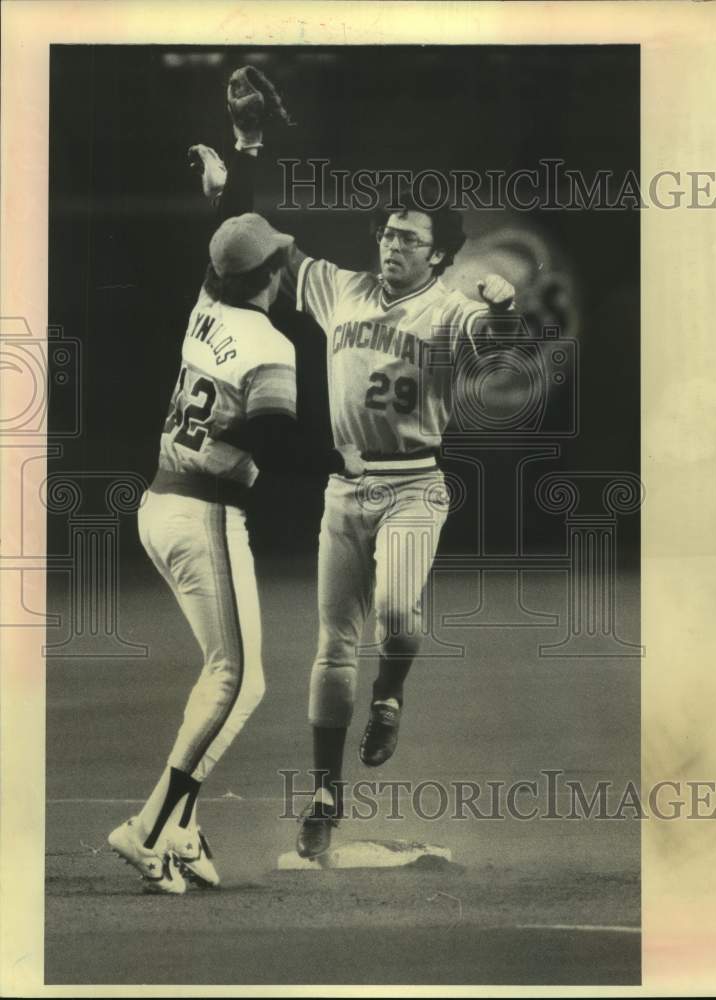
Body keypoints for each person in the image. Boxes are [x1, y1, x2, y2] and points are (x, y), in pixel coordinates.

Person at [192, 66, 517, 861]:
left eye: (410, 237)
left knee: (398, 620)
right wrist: (248, 144)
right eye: (388, 231)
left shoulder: (453, 308)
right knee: (331, 644)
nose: (392, 243)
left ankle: (391, 694)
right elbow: (250, 240)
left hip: (413, 489)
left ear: (439, 255)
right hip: (345, 492)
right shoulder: (340, 288)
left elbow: (499, 353)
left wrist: (504, 310)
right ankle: (325, 795)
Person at [107, 173, 298, 890]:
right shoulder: (270, 344)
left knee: (220, 672)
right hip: (203, 514)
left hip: (160, 506)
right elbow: (278, 437)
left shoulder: (205, 303)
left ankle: (182, 830)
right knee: (241, 680)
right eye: (277, 261)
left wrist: (237, 172)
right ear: (271, 276)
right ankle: (151, 827)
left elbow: (231, 240)